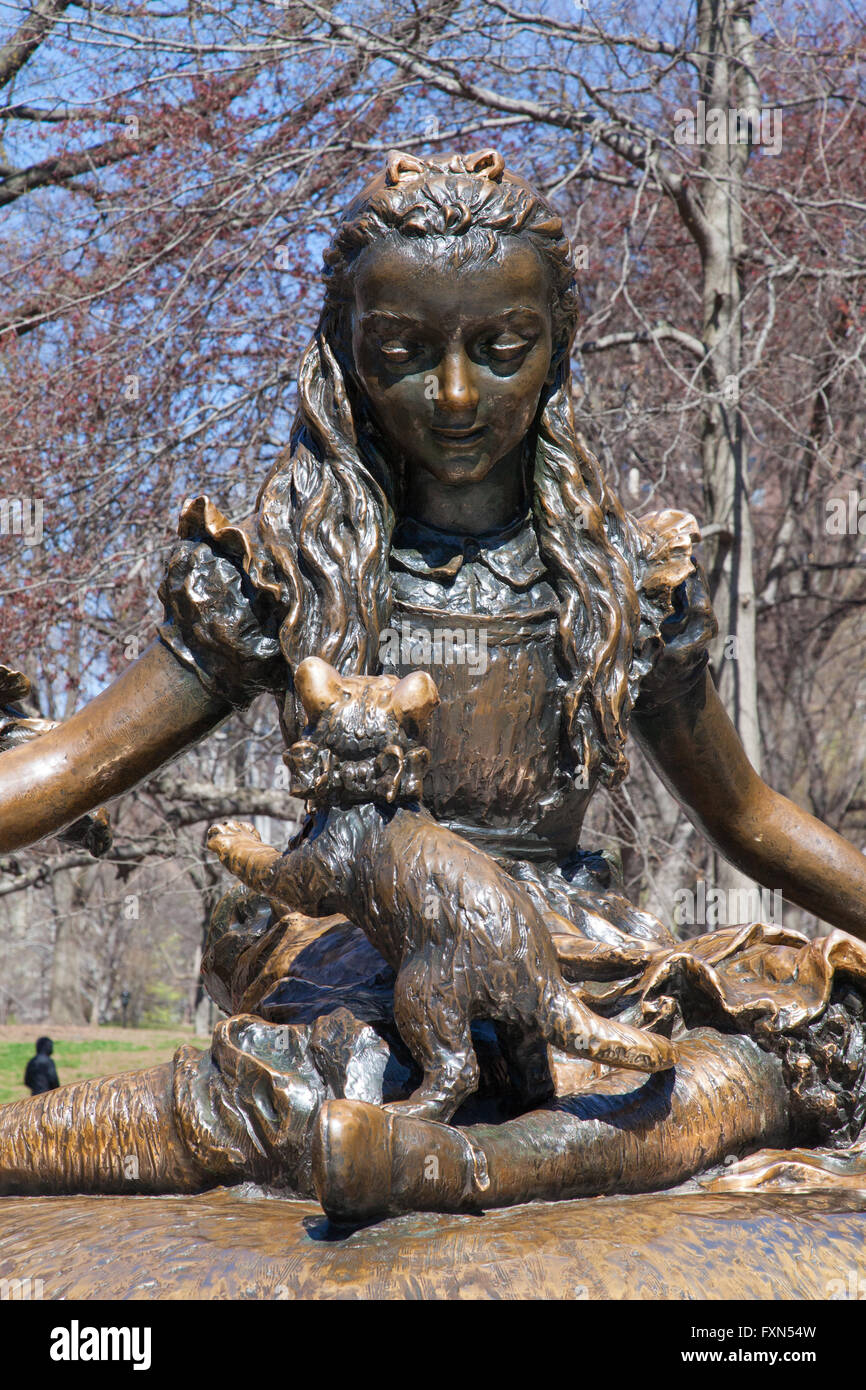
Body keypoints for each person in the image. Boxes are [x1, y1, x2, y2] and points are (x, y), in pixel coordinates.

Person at [1, 148, 866, 1220]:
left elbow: (749, 819)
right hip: (364, 938)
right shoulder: (282, 567)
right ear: (345, 354)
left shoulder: (620, 583)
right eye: (403, 352)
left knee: (743, 1068)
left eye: (501, 349)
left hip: (565, 947)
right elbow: (77, 762)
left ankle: (449, 1165)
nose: (456, 394)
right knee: (292, 1082)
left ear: (555, 347)